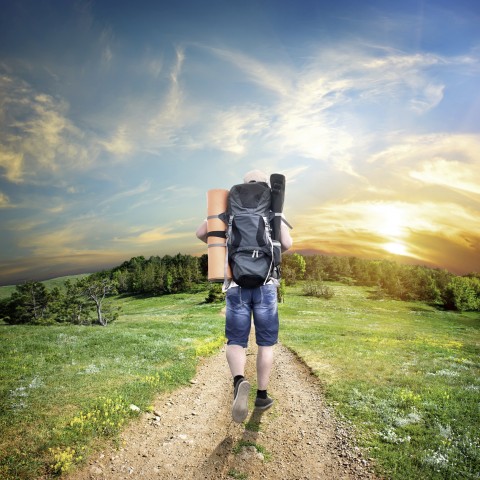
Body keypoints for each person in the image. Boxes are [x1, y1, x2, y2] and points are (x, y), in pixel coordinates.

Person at [196, 170, 292, 423]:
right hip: (266, 284)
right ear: (263, 186)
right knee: (265, 343)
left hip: (236, 284)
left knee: (236, 340)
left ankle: (239, 380)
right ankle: (262, 395)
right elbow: (287, 244)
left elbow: (200, 233)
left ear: (241, 185)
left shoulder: (229, 205)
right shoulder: (274, 209)